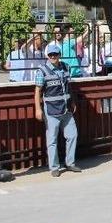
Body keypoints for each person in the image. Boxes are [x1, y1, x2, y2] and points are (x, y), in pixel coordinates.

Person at [34, 44, 81, 177]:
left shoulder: (66, 67)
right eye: (50, 55)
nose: (53, 57)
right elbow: (37, 91)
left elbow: (69, 86)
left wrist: (72, 101)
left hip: (66, 110)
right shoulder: (42, 71)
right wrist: (38, 109)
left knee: (72, 135)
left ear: (59, 55)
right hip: (51, 111)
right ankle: (54, 167)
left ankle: (70, 163)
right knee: (52, 140)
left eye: (55, 54)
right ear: (48, 56)